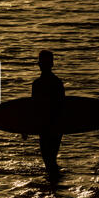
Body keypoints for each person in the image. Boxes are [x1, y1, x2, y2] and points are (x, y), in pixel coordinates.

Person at [31, 50, 65, 182]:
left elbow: (34, 108)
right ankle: (56, 185)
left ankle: (55, 184)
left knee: (48, 159)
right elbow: (62, 105)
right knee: (51, 158)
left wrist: (26, 127)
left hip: (46, 126)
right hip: (55, 126)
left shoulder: (38, 84)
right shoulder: (57, 82)